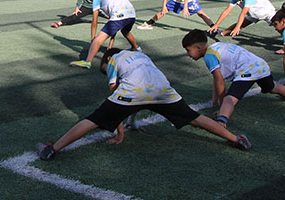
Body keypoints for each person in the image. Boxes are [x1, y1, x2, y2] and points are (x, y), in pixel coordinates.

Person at [37, 48, 251, 160]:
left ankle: (52, 149)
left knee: (92, 120)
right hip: (162, 89)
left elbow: (116, 93)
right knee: (195, 118)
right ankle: (236, 138)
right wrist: (131, 121)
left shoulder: (113, 60)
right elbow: (143, 88)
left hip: (133, 92)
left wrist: (119, 133)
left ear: (106, 59)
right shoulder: (140, 55)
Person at [182, 29, 285, 127]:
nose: (188, 54)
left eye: (188, 50)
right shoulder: (217, 46)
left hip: (248, 71)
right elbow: (216, 78)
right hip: (261, 65)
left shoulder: (209, 56)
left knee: (230, 98)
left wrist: (221, 104)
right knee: (272, 87)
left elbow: (220, 82)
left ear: (198, 47)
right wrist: (215, 100)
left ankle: (221, 122)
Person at [70, 0, 139, 69]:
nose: (93, 2)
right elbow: (113, 22)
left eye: (91, 0)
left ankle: (87, 62)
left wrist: (93, 39)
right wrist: (111, 42)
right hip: (131, 15)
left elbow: (94, 22)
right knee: (125, 31)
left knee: (98, 39)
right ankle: (136, 48)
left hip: (119, 16)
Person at [208, 0, 276, 37]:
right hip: (253, 14)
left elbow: (243, 13)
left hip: (267, 13)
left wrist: (238, 27)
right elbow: (227, 11)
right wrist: (216, 24)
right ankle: (222, 33)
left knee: (279, 27)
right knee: (242, 24)